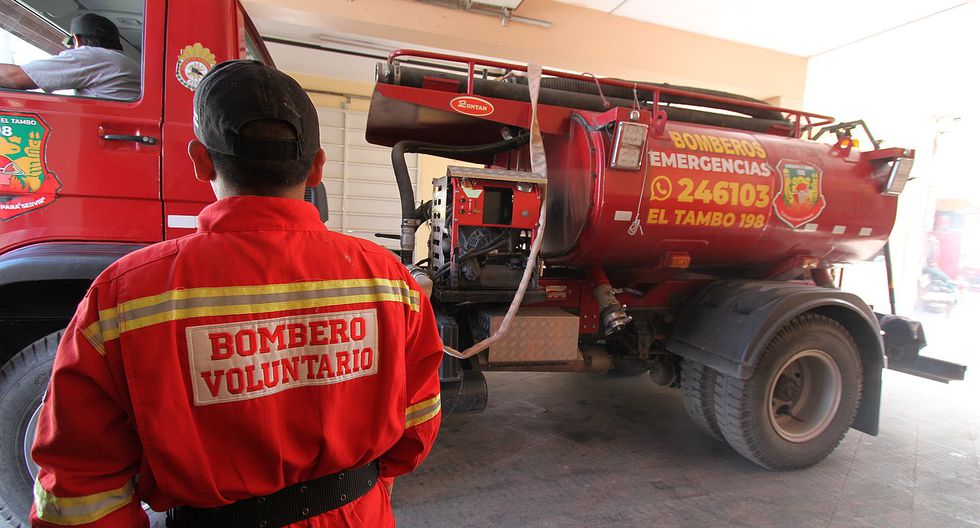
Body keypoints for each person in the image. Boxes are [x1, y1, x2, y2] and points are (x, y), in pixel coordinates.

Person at [30, 60, 444, 528]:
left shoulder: (123, 297)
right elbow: (419, 420)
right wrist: (361, 489)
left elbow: (81, 488)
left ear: (199, 160)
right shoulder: (389, 279)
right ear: (317, 168)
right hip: (358, 515)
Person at [0, 13, 140, 100]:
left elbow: (15, 78)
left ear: (76, 39)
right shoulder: (125, 62)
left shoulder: (93, 56)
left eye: (70, 43)